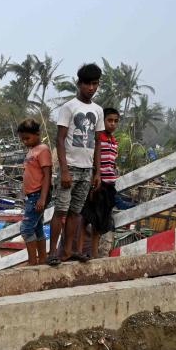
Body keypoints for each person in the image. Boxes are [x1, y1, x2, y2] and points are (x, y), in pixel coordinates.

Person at [49, 63, 104, 266]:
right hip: (69, 167)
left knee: (76, 212)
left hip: (86, 169)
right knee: (61, 210)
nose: (91, 88)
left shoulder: (98, 111)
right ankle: (52, 252)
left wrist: (96, 172)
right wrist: (63, 170)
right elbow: (60, 139)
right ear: (79, 84)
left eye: (95, 84)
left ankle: (68, 251)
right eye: (88, 84)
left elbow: (98, 142)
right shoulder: (69, 107)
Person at [82, 107, 121, 258]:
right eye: (109, 120)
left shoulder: (114, 141)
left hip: (109, 184)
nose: (112, 124)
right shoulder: (98, 139)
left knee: (100, 222)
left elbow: (111, 162)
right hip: (98, 183)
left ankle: (94, 253)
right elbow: (92, 161)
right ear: (102, 121)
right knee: (87, 218)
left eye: (116, 121)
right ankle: (83, 251)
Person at [17, 119, 52, 266]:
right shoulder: (32, 150)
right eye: (23, 139)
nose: (25, 141)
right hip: (32, 195)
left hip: (38, 195)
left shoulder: (42, 150)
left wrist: (42, 198)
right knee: (37, 228)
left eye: (27, 138)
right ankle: (42, 259)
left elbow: (47, 175)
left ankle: (32, 262)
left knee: (26, 229)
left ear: (37, 134)